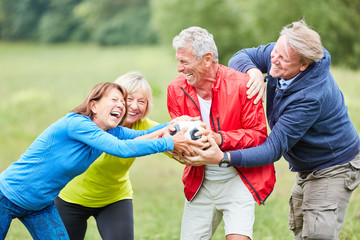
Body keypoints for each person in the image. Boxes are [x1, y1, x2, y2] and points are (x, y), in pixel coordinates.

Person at [183, 20, 360, 240]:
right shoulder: (283, 52)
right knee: (301, 228)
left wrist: (223, 157)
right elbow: (240, 56)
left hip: (334, 165)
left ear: (303, 65)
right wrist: (253, 71)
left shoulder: (311, 96)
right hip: (306, 165)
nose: (273, 59)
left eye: (282, 58)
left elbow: (272, 149)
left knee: (317, 235)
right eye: (274, 51)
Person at [0, 82, 202, 240]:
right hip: (7, 196)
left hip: (41, 205)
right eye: (114, 100)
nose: (121, 106)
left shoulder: (110, 130)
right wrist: (169, 142)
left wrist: (174, 123)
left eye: (122, 103)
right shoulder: (77, 123)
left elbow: (145, 133)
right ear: (93, 105)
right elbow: (121, 149)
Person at [167, 26, 276, 240]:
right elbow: (176, 136)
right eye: (178, 61)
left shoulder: (243, 85)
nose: (179, 68)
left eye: (185, 62)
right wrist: (178, 149)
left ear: (207, 59)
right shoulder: (175, 90)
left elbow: (258, 135)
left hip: (238, 178)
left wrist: (220, 138)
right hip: (200, 181)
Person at [54, 71, 176, 240]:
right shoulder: (94, 125)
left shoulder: (144, 126)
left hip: (114, 198)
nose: (135, 106)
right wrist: (165, 140)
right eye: (129, 99)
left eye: (142, 101)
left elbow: (173, 140)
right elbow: (123, 147)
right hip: (72, 198)